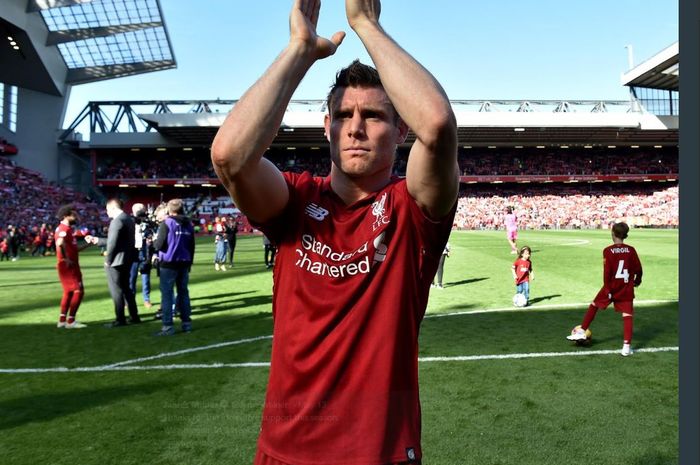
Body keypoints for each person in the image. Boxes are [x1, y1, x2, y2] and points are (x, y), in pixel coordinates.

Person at [210, 1, 458, 463]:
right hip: (285, 452)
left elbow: (438, 126)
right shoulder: (295, 201)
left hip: (379, 453)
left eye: (375, 116)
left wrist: (366, 24)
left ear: (400, 130)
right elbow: (229, 157)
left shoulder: (412, 209)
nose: (356, 129)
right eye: (344, 115)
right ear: (326, 127)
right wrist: (299, 50)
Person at [567, 222, 643, 356]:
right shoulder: (631, 250)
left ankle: (582, 330)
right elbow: (639, 269)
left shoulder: (608, 250)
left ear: (613, 233)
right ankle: (626, 347)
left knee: (594, 305)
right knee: (627, 316)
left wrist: (607, 289)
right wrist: (637, 280)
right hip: (626, 287)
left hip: (611, 286)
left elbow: (607, 272)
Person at [86, 198, 141, 327]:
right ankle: (134, 316)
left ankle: (120, 319)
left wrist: (108, 260)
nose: (107, 212)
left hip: (116, 261)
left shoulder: (116, 221)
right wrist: (97, 240)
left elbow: (112, 244)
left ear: (113, 208)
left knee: (116, 291)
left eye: (107, 209)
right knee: (127, 289)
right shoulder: (128, 219)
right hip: (127, 259)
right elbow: (117, 241)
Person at [153, 198, 195, 336]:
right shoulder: (189, 224)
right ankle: (186, 324)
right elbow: (192, 246)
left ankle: (167, 326)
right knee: (183, 293)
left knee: (167, 295)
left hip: (169, 263)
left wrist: (153, 241)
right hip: (184, 262)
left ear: (169, 210)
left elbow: (158, 245)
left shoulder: (167, 223)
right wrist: (190, 262)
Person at [55, 205, 93, 328]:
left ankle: (62, 320)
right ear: (66, 215)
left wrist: (87, 245)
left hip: (69, 264)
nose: (76, 216)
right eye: (73, 214)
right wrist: (66, 258)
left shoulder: (67, 230)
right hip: (68, 265)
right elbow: (59, 243)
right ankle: (71, 321)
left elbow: (74, 249)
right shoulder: (64, 229)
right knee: (78, 291)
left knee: (68, 292)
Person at [129, 203, 156, 309]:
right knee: (132, 278)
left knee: (146, 278)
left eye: (142, 209)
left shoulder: (148, 223)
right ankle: (130, 300)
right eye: (138, 210)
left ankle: (146, 299)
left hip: (145, 252)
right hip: (133, 252)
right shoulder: (130, 222)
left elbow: (152, 234)